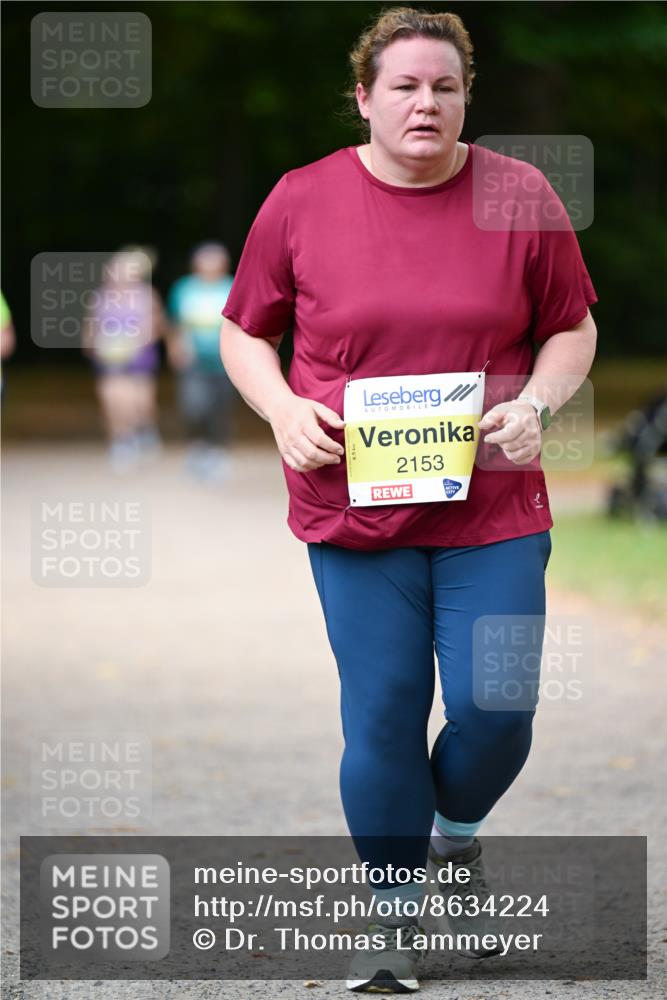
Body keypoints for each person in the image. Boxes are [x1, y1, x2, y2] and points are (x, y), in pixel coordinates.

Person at [220, 7, 598, 993]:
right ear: (363, 96)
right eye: (403, 86)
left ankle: (454, 837)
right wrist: (278, 409)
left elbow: (571, 327)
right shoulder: (300, 200)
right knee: (383, 711)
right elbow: (242, 332)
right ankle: (390, 921)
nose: (424, 102)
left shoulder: (518, 195)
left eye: (443, 85)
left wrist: (538, 404)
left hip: (495, 504)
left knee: (497, 703)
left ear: (466, 95)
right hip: (354, 511)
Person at [83, 247, 168, 473]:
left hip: (140, 358)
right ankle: (121, 442)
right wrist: (93, 346)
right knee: (112, 400)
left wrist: (137, 341)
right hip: (109, 359)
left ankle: (144, 429)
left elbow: (158, 326)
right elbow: (91, 326)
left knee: (141, 402)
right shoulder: (100, 297)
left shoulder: (147, 295)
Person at [167, 242, 236, 481]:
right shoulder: (184, 289)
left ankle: (218, 451)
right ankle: (197, 448)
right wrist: (175, 346)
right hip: (194, 361)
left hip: (225, 361)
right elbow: (174, 323)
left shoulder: (232, 287)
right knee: (194, 406)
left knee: (220, 407)